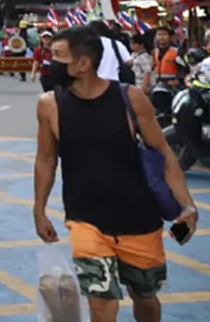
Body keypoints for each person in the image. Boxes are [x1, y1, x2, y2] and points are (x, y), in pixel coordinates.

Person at [33, 25, 198, 322]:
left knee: (145, 299)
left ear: (82, 64)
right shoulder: (50, 106)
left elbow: (163, 153)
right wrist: (39, 209)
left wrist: (187, 204)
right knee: (102, 304)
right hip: (86, 219)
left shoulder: (131, 98)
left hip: (139, 218)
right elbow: (45, 159)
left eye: (58, 56)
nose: (50, 62)